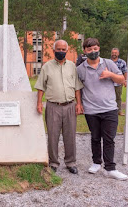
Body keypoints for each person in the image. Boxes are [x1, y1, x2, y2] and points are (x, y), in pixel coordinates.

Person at [77, 38, 128, 180]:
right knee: (95, 137)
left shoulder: (109, 63)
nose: (93, 52)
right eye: (89, 49)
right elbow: (78, 88)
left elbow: (121, 80)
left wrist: (110, 75)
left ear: (99, 48)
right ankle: (96, 162)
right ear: (85, 51)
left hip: (109, 108)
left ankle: (110, 168)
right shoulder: (80, 69)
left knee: (109, 138)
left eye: (95, 49)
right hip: (91, 109)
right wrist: (79, 104)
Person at [34, 40, 84, 174]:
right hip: (53, 107)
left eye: (63, 49)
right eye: (59, 49)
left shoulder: (72, 66)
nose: (61, 51)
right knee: (52, 136)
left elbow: (77, 87)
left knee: (70, 136)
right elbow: (40, 87)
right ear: (54, 50)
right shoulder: (47, 67)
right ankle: (54, 163)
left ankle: (71, 162)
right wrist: (39, 103)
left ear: (67, 51)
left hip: (70, 106)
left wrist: (79, 104)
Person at [111, 48, 127, 116]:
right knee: (109, 98)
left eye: (115, 53)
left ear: (118, 54)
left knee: (118, 97)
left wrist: (125, 81)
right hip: (109, 83)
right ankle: (111, 111)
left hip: (118, 83)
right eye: (113, 52)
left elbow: (125, 72)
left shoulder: (122, 62)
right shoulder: (108, 61)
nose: (114, 54)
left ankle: (119, 111)